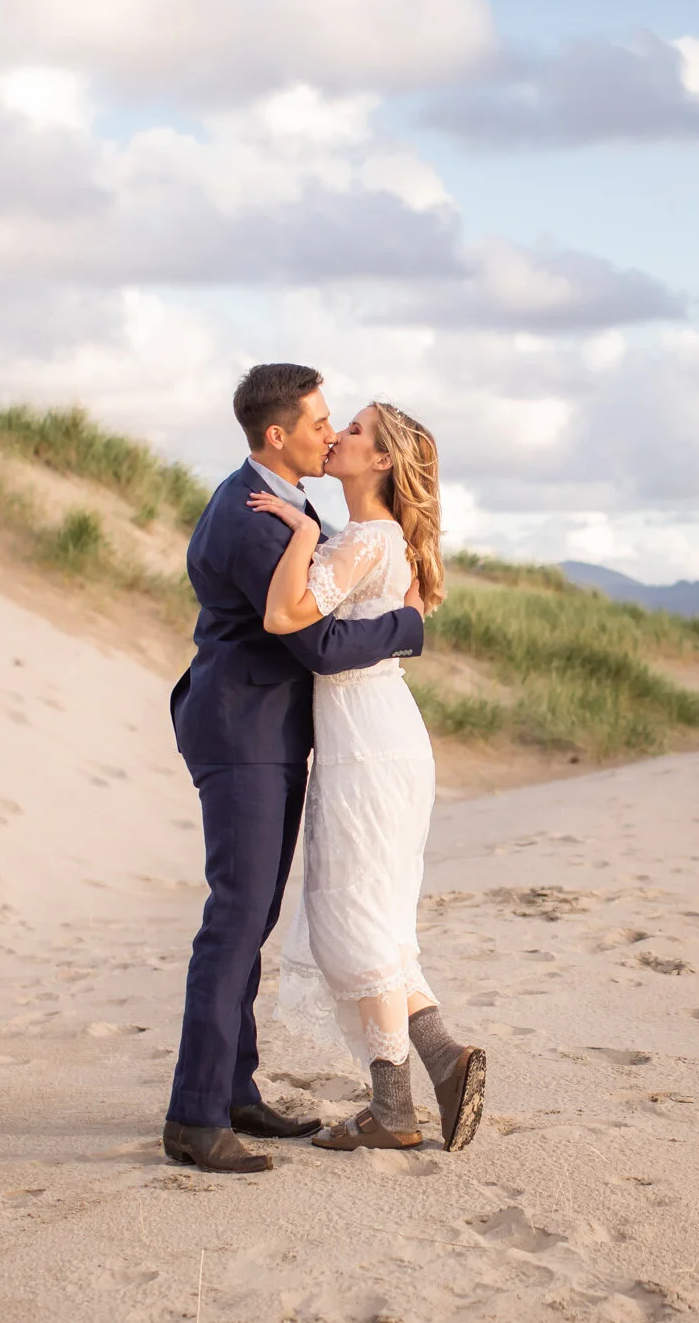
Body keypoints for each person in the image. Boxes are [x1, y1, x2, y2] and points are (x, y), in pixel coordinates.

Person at [161, 364, 428, 1175]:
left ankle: (233, 1089)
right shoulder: (253, 517)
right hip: (244, 732)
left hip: (259, 729)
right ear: (277, 435)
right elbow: (310, 641)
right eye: (318, 421)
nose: (328, 431)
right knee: (235, 920)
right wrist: (407, 626)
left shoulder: (273, 500)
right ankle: (196, 1117)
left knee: (252, 917)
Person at [248, 399, 486, 1153]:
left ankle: (393, 1108)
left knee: (351, 920)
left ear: (381, 460)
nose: (338, 437)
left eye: (353, 431)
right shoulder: (382, 542)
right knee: (376, 917)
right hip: (382, 735)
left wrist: (308, 535)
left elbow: (287, 618)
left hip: (366, 743)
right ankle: (443, 1063)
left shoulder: (362, 542)